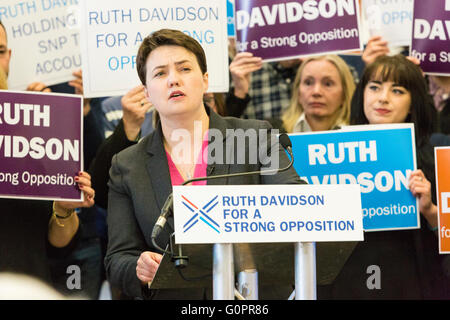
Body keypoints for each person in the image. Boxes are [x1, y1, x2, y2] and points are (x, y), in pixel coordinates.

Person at [104, 29, 305, 299]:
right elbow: (117, 259)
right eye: (160, 73)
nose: (173, 79)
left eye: (184, 69)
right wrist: (138, 268)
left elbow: (298, 206)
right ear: (147, 93)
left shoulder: (256, 137)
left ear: (205, 80)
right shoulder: (127, 164)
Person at [327, 54, 449, 299]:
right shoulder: (329, 152)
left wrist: (430, 211)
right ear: (362, 94)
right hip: (345, 287)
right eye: (374, 87)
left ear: (413, 102)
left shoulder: (439, 158)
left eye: (397, 90)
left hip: (415, 285)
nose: (383, 97)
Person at [281, 55, 356, 133]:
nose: (316, 92)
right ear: (298, 93)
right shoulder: (274, 133)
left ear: (344, 94)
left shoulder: (359, 134)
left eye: (328, 84)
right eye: (308, 83)